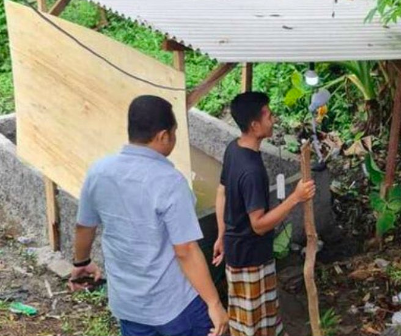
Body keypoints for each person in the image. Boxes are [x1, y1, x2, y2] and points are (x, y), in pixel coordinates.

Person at [70, 95, 228, 336]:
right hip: (174, 305)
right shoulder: (170, 182)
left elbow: (84, 226)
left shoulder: (99, 172)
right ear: (163, 136)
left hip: (129, 305)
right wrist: (214, 304)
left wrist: (81, 263)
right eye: (174, 133)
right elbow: (185, 249)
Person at [213, 92, 316, 336]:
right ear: (254, 125)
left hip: (239, 251)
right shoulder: (252, 171)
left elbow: (222, 193)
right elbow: (258, 224)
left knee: (253, 318)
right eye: (269, 115)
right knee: (252, 324)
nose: (274, 119)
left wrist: (221, 236)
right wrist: (296, 197)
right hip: (250, 259)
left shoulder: (233, 149)